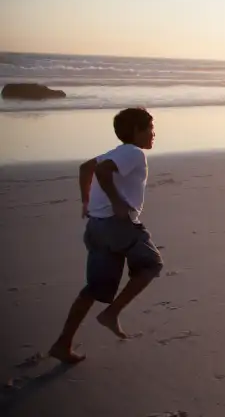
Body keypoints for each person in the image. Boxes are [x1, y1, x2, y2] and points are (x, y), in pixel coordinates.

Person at [49, 107, 162, 364]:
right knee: (151, 264)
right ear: (137, 131)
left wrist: (86, 201)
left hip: (97, 227)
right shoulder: (133, 153)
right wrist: (117, 202)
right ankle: (112, 314)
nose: (154, 134)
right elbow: (100, 172)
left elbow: (85, 168)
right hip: (117, 226)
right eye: (150, 129)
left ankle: (62, 343)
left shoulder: (116, 152)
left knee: (94, 288)